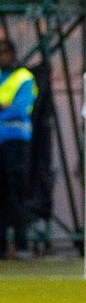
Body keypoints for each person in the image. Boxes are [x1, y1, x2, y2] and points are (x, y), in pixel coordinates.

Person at [0, 38, 35, 260]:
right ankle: (2, 247)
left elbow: (20, 109)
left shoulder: (24, 77)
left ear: (13, 53)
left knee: (16, 192)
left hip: (16, 142)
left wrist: (6, 108)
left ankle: (21, 244)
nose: (2, 56)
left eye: (5, 52)